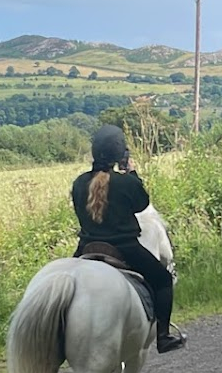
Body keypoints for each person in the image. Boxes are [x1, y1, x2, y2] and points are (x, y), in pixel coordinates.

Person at [72, 124, 186, 353]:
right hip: (125, 248)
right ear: (119, 154)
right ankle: (163, 337)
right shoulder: (126, 183)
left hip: (86, 248)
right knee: (163, 280)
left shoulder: (79, 183)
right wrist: (131, 173)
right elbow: (142, 204)